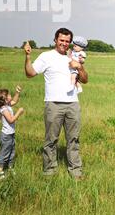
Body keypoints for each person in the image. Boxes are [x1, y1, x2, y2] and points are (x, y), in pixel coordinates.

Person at [24, 28, 88, 179]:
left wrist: (79, 67)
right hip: (53, 104)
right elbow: (30, 73)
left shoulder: (73, 56)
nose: (64, 44)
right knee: (51, 139)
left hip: (73, 104)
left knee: (73, 139)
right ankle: (49, 171)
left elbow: (85, 79)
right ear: (55, 40)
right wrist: (27, 57)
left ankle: (76, 171)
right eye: (61, 40)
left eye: (67, 41)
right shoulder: (46, 56)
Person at [0, 86, 24, 180]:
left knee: (12, 152)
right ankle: (0, 171)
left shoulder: (7, 105)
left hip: (11, 134)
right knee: (4, 152)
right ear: (4, 100)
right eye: (8, 95)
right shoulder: (4, 109)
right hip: (6, 136)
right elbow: (11, 120)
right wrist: (19, 112)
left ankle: (10, 168)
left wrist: (17, 92)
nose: (10, 96)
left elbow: (15, 101)